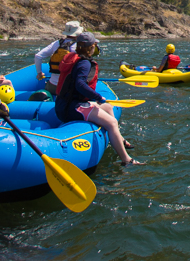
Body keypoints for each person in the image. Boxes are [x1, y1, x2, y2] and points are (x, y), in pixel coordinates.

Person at [55, 32, 140, 166]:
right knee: (111, 122)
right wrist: (98, 97)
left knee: (108, 107)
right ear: (91, 47)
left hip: (64, 104)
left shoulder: (73, 58)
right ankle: (127, 160)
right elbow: (80, 84)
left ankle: (120, 139)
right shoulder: (84, 64)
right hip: (71, 108)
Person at [35, 21, 83, 95]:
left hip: (52, 86)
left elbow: (38, 56)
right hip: (68, 87)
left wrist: (39, 73)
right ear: (78, 33)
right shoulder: (79, 46)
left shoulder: (56, 43)